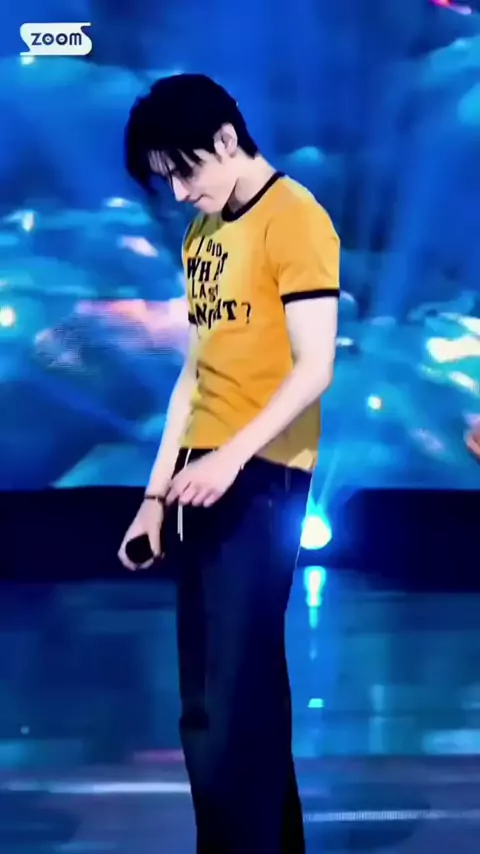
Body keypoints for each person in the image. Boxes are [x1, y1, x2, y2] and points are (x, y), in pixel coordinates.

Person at [119, 73, 339, 854]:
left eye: (184, 171)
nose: (180, 193)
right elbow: (195, 372)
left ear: (225, 139)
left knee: (228, 702)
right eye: (166, 179)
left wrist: (230, 461)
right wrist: (154, 496)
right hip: (199, 473)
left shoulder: (295, 217)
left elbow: (314, 368)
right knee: (223, 693)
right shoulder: (203, 236)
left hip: (263, 473)